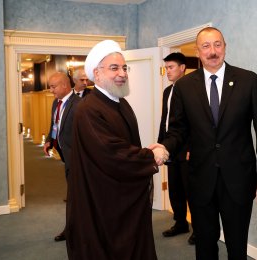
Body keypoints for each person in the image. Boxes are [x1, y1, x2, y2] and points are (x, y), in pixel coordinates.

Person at [150, 27, 257, 260]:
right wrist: (165, 147)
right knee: (205, 245)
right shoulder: (185, 86)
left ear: (225, 47)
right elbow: (178, 129)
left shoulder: (248, 80)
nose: (213, 51)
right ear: (198, 51)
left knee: (237, 245)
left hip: (238, 178)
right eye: (206, 46)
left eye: (217, 44)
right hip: (200, 178)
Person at [66, 39, 168, 260]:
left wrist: (145, 154)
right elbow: (111, 153)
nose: (122, 73)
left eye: (124, 67)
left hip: (124, 194)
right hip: (103, 200)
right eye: (114, 68)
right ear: (97, 73)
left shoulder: (121, 103)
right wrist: (151, 156)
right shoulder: (88, 109)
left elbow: (124, 147)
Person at [158, 52, 195, 245]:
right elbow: (165, 122)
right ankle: (180, 222)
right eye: (166, 68)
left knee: (191, 190)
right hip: (170, 147)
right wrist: (161, 145)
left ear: (182, 68)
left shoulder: (192, 89)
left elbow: (196, 124)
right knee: (175, 189)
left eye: (171, 67)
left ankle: (198, 228)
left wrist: (193, 147)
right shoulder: (167, 92)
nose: (167, 72)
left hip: (187, 150)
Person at [43, 71, 81, 242]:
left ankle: (72, 230)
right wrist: (49, 140)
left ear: (65, 85)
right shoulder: (55, 103)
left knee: (75, 196)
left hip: (77, 159)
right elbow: (55, 124)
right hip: (64, 154)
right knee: (74, 194)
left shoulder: (79, 104)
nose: (51, 90)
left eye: (53, 86)